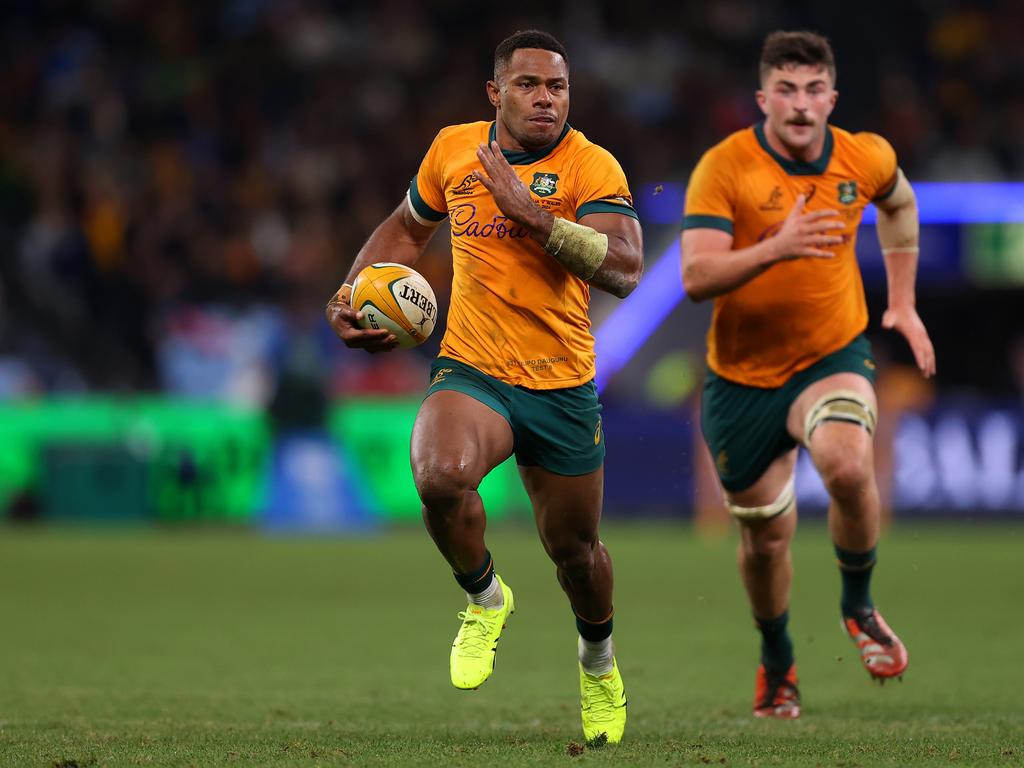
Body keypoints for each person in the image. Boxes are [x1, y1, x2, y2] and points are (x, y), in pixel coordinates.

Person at [326, 29, 643, 743]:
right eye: (528, 85)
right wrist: (347, 293)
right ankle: (485, 596)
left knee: (577, 556)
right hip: (473, 367)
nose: (544, 99)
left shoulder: (591, 166)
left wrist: (532, 213)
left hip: (562, 385)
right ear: (495, 93)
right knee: (439, 475)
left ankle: (598, 664)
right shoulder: (453, 150)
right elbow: (407, 231)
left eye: (557, 87)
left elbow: (624, 268)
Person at [681, 30, 935, 719]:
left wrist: (904, 304)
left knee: (848, 467)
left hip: (833, 355)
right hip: (740, 378)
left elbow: (901, 204)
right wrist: (777, 247)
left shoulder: (866, 155)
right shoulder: (725, 167)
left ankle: (859, 607)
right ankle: (778, 659)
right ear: (763, 97)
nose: (800, 104)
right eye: (785, 90)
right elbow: (696, 275)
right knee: (765, 540)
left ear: (832, 97)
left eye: (813, 89)